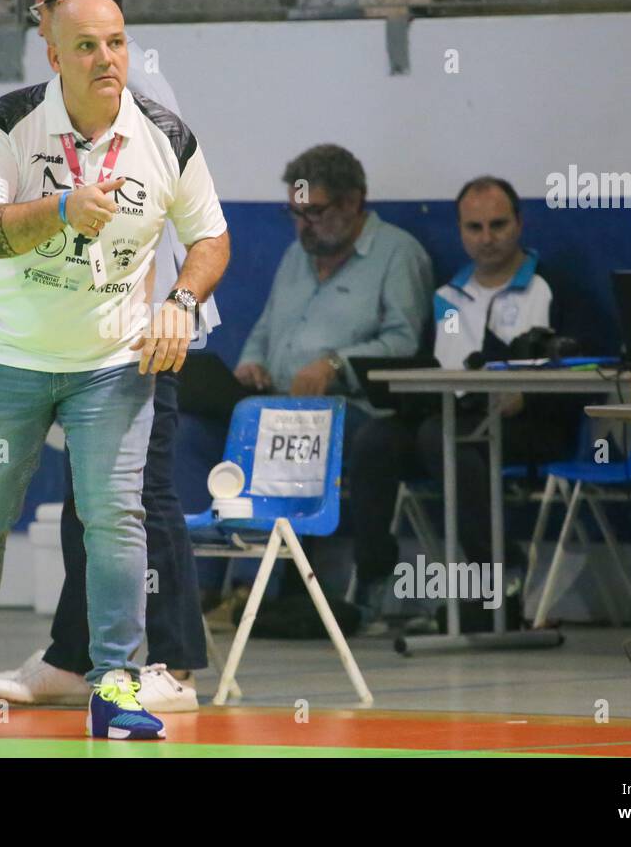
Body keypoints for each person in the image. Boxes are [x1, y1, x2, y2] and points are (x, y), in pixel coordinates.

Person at [0, 0, 229, 740]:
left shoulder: (167, 136)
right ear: (54, 53)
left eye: (118, 43)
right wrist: (59, 211)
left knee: (115, 521)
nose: (107, 60)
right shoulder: (8, 123)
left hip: (112, 363)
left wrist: (183, 304)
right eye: (88, 46)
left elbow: (210, 239)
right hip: (9, 359)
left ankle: (116, 686)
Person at [0, 0, 221, 713]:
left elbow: (166, 225)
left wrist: (169, 311)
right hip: (86, 334)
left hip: (149, 330)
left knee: (142, 495)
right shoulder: (49, 100)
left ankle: (176, 667)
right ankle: (74, 657)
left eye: (41, 5)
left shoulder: (136, 91)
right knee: (92, 499)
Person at [346, 175, 580, 627]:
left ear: (520, 223)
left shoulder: (551, 288)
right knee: (375, 438)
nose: (487, 239)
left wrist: (528, 395)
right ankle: (373, 579)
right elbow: (441, 365)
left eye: (498, 225)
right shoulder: (446, 298)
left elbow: (586, 364)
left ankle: (501, 574)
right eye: (475, 228)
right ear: (459, 231)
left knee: (443, 436)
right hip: (454, 418)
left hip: (532, 425)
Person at [232, 144, 433, 598]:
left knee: (296, 441)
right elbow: (265, 328)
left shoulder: (398, 255)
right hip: (276, 404)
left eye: (315, 212)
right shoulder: (294, 257)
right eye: (294, 213)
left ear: (353, 202)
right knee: (188, 431)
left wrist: (336, 363)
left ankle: (281, 592)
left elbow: (404, 343)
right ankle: (203, 587)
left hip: (351, 410)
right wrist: (252, 361)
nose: (303, 225)